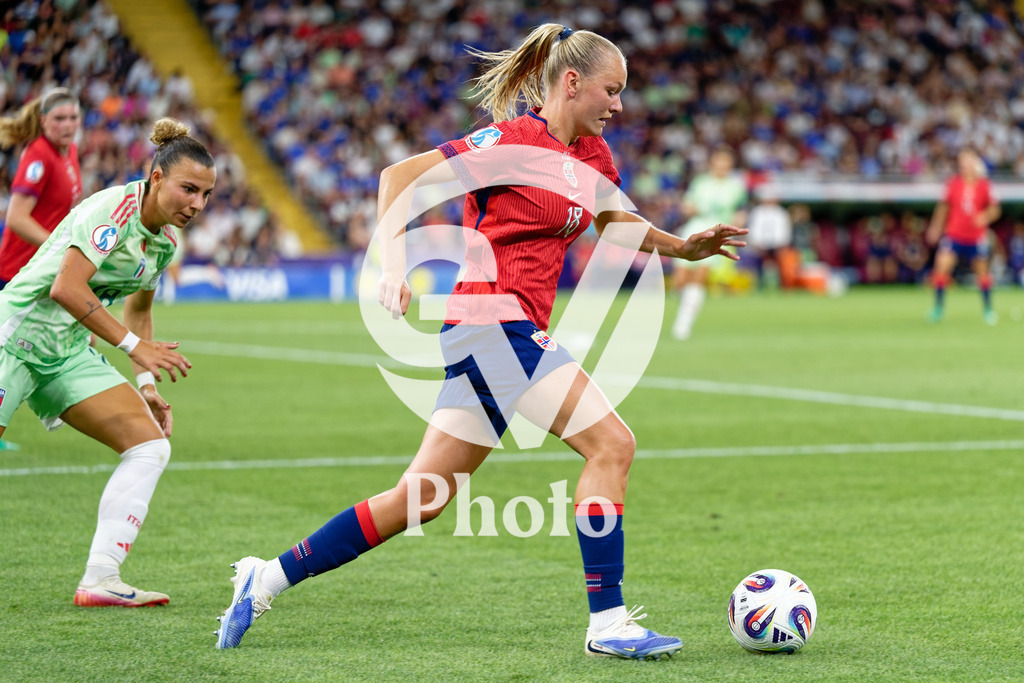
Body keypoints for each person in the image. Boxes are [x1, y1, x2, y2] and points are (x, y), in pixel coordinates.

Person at [215, 24, 745, 659]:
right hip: (492, 323)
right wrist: (390, 266)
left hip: (503, 333)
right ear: (571, 83)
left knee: (421, 498)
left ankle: (265, 575)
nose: (620, 105)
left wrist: (683, 247)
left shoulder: (594, 158)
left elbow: (617, 221)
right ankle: (607, 622)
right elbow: (398, 177)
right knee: (612, 445)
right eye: (612, 89)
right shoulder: (513, 140)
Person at [0, 118, 215, 606]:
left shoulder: (163, 243)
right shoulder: (112, 210)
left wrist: (145, 383)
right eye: (188, 189)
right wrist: (134, 349)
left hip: (66, 353)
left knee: (150, 446)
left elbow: (138, 311)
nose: (197, 205)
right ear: (156, 177)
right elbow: (66, 287)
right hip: (13, 339)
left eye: (205, 194)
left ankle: (101, 578)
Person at [0, 88, 82, 289]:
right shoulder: (39, 154)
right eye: (59, 118)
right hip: (16, 273)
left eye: (73, 118)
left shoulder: (70, 150)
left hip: (43, 270)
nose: (68, 125)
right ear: (43, 120)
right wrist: (60, 248)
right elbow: (16, 218)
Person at [670, 146, 747, 339]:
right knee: (679, 281)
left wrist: (738, 221)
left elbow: (740, 211)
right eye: (718, 163)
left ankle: (683, 325)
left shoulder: (736, 187)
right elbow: (687, 205)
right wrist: (688, 208)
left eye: (726, 163)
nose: (722, 167)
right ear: (712, 164)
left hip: (717, 236)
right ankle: (686, 307)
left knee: (700, 276)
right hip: (694, 230)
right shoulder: (701, 183)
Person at [925, 148, 1001, 324]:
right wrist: (936, 228)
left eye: (968, 160)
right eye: (962, 161)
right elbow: (943, 207)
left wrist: (985, 216)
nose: (964, 164)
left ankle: (988, 310)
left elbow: (995, 209)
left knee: (982, 273)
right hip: (954, 234)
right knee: (941, 268)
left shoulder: (984, 185)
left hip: (976, 236)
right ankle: (938, 309)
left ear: (975, 162)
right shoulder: (953, 183)